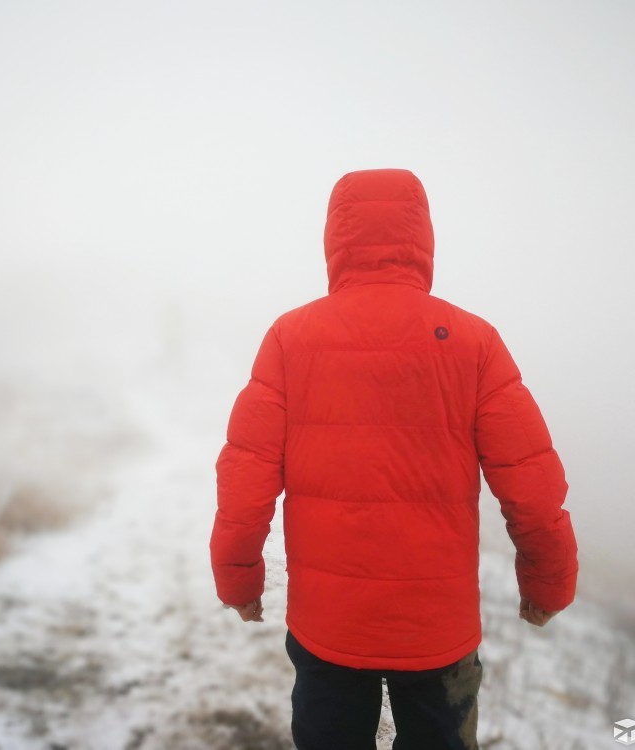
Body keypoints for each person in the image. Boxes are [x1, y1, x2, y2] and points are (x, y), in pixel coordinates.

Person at [209, 168, 579, 750]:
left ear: (334, 239)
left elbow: (244, 478)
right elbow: (530, 484)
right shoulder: (474, 341)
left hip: (328, 627)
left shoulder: (289, 338)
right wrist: (548, 583)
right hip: (438, 631)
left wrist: (238, 579)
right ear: (422, 237)